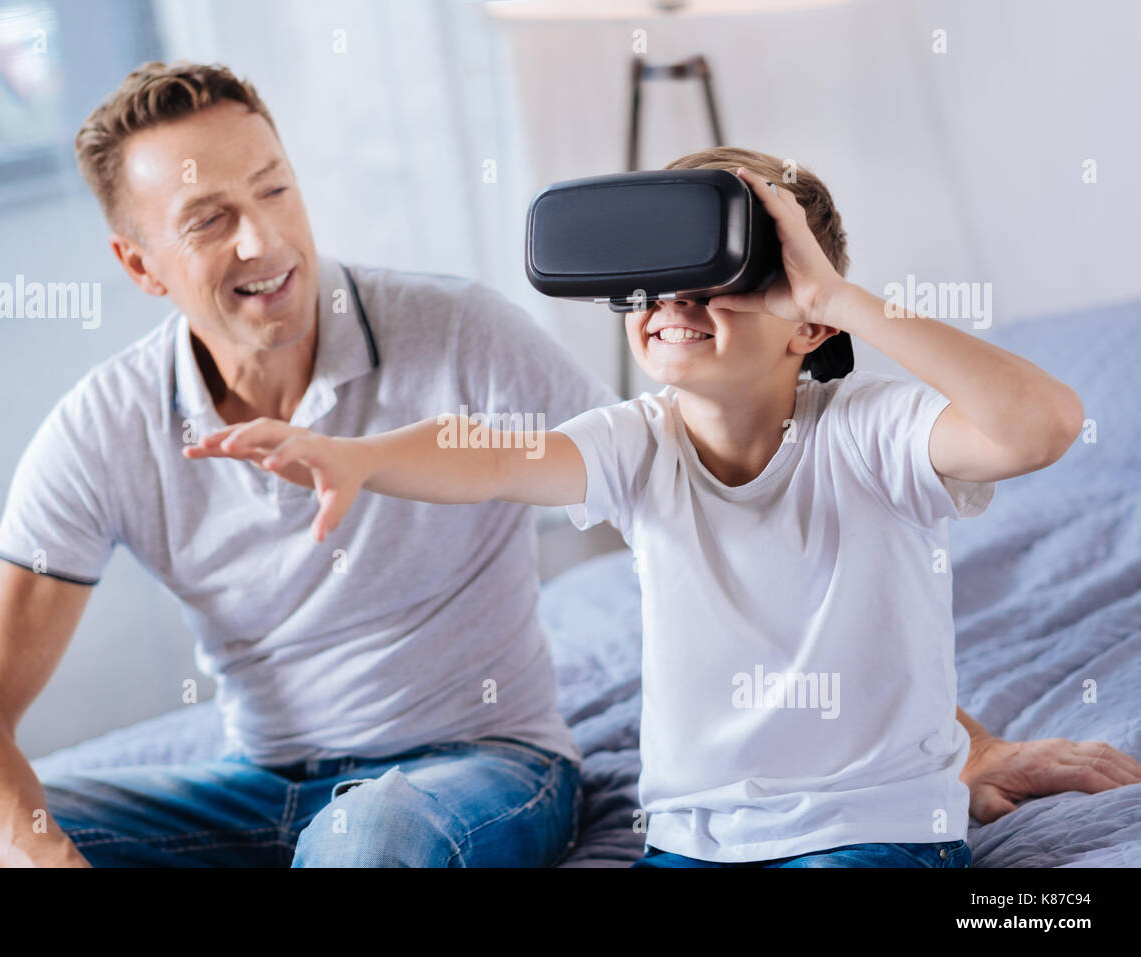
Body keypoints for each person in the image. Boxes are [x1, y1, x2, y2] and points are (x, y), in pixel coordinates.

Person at [0, 66, 1133, 867]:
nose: (264, 235)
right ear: (140, 265)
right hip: (262, 789)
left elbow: (1004, 443)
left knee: (375, 842)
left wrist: (946, 744)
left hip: (470, 769)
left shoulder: (478, 334)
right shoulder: (103, 423)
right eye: (209, 217)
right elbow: (495, 457)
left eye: (277, 188)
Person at [182, 146, 1130, 867]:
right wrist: (357, 456)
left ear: (809, 321)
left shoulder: (872, 431)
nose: (676, 298)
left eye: (727, 272)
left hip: (865, 833)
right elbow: (492, 454)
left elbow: (1039, 423)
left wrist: (844, 293)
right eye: (654, 277)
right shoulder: (638, 442)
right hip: (690, 844)